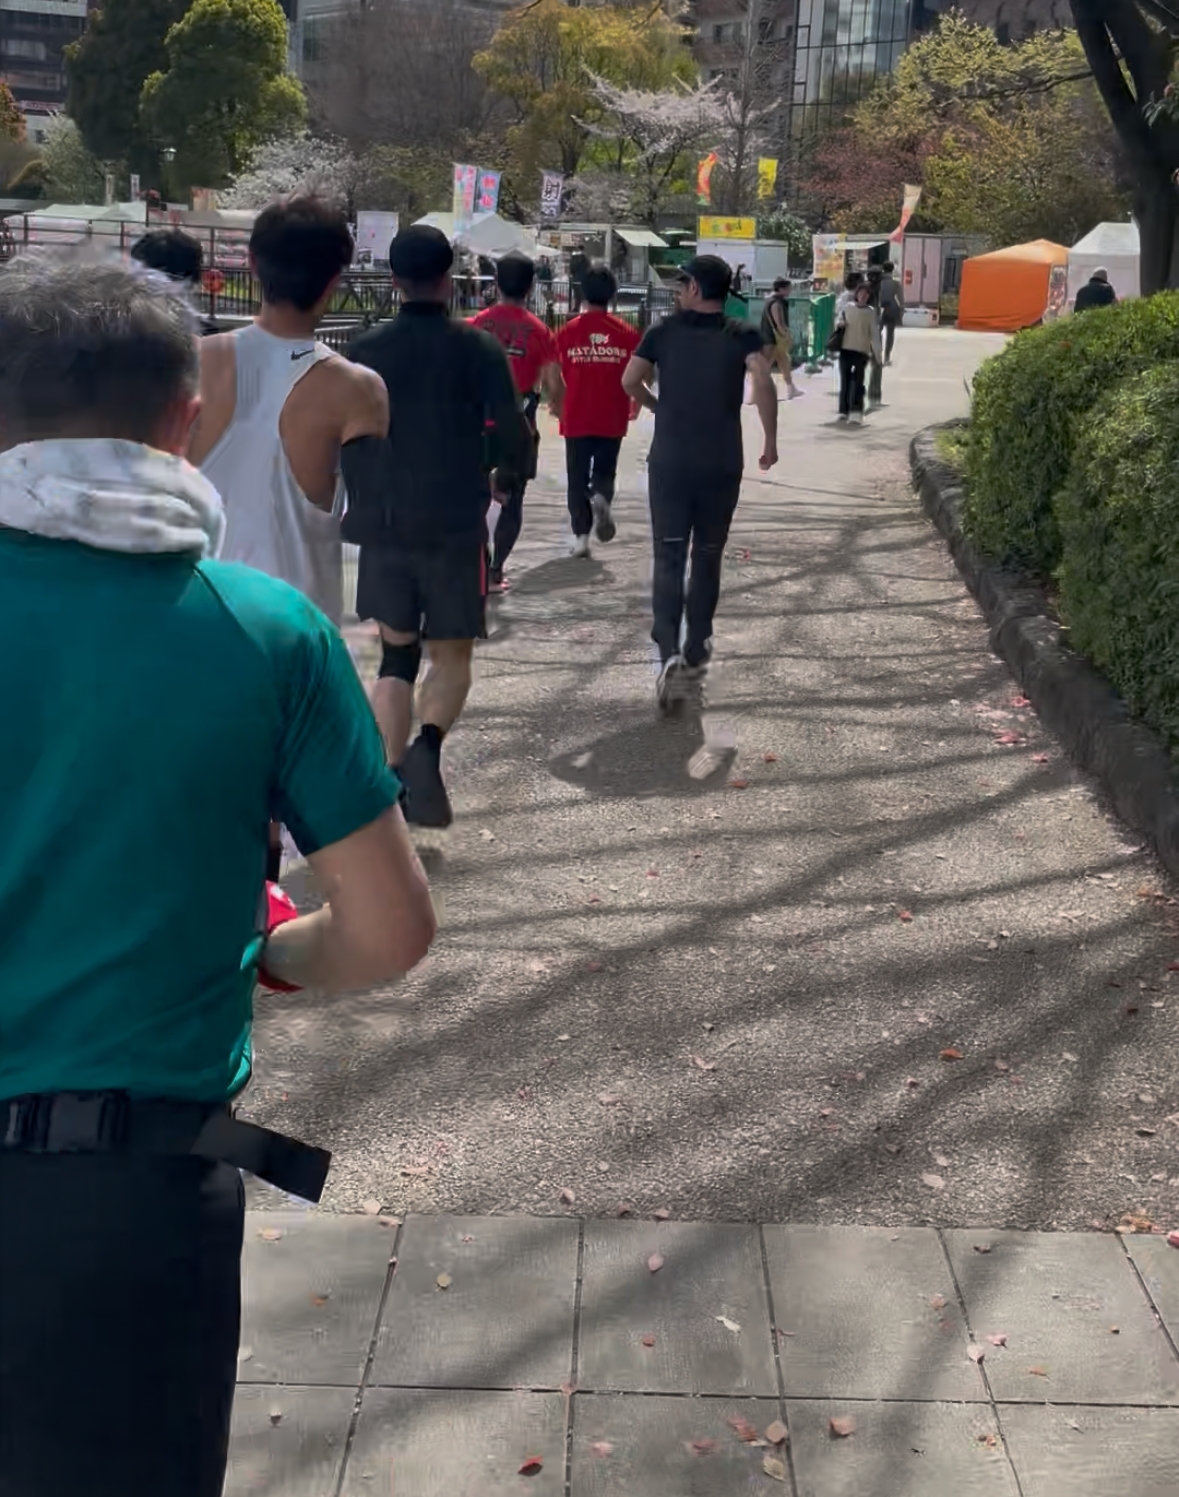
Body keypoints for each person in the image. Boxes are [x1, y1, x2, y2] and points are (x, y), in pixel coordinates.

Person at [0, 252, 436, 1497]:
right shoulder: (263, 629)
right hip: (127, 1198)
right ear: (185, 421)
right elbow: (390, 929)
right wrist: (275, 951)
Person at [189, 195, 389, 881]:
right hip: (293, 622)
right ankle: (260, 914)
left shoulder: (190, 363)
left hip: (191, 603)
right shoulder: (357, 388)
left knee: (203, 793)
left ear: (251, 264)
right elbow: (374, 511)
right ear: (336, 281)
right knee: (269, 799)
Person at [346, 225, 531, 838]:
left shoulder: (362, 348)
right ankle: (426, 748)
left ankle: (389, 777)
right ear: (450, 278)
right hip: (455, 519)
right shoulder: (478, 347)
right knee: (452, 653)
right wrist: (502, 474)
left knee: (396, 655)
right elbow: (512, 431)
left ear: (393, 279)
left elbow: (345, 434)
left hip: (386, 521)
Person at [622, 254, 778, 710]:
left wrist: (659, 407)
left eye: (680, 284)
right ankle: (696, 646)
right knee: (708, 556)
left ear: (693, 288)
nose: (677, 292)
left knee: (669, 555)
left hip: (671, 463)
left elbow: (629, 380)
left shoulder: (662, 332)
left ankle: (668, 650)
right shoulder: (742, 333)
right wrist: (770, 441)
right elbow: (763, 380)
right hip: (721, 462)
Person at [472, 252, 564, 589]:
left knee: (474, 495)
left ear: (496, 283)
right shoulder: (540, 331)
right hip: (520, 420)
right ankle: (497, 569)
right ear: (530, 286)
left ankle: (479, 565)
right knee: (514, 497)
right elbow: (554, 384)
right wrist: (560, 409)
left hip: (478, 419)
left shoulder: (476, 324)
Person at [556, 261, 639, 556]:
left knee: (576, 477)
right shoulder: (627, 333)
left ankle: (581, 539)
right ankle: (601, 496)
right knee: (605, 470)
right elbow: (639, 374)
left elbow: (554, 375)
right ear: (613, 295)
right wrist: (636, 403)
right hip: (612, 414)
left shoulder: (567, 332)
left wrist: (555, 403)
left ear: (582, 293)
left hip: (576, 414)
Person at [131, 227, 219, 333]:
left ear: (188, 282)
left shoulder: (204, 333)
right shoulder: (121, 325)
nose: (147, 281)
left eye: (159, 275)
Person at [836, 280, 881, 426]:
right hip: (846, 348)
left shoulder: (870, 312)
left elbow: (874, 334)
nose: (863, 296)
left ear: (869, 296)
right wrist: (840, 323)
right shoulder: (848, 307)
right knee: (845, 381)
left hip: (862, 351)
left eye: (866, 294)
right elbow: (839, 320)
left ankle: (856, 412)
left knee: (858, 382)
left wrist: (877, 355)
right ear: (856, 294)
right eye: (861, 293)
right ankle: (844, 411)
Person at [760, 276, 802, 400]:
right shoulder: (776, 303)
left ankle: (791, 388)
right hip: (773, 339)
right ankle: (756, 392)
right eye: (788, 288)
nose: (790, 290)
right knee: (766, 366)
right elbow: (779, 323)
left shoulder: (771, 301)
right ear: (781, 289)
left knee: (784, 362)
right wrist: (787, 336)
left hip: (772, 338)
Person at [865, 265, 885, 409]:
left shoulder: (865, 290)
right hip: (872, 331)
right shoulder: (874, 291)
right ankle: (874, 396)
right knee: (877, 363)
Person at [879, 259, 904, 364]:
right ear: (892, 270)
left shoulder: (878, 282)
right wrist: (901, 310)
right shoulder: (896, 283)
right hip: (892, 309)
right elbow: (901, 298)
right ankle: (887, 356)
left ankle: (878, 353)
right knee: (890, 333)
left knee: (877, 332)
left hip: (879, 308)